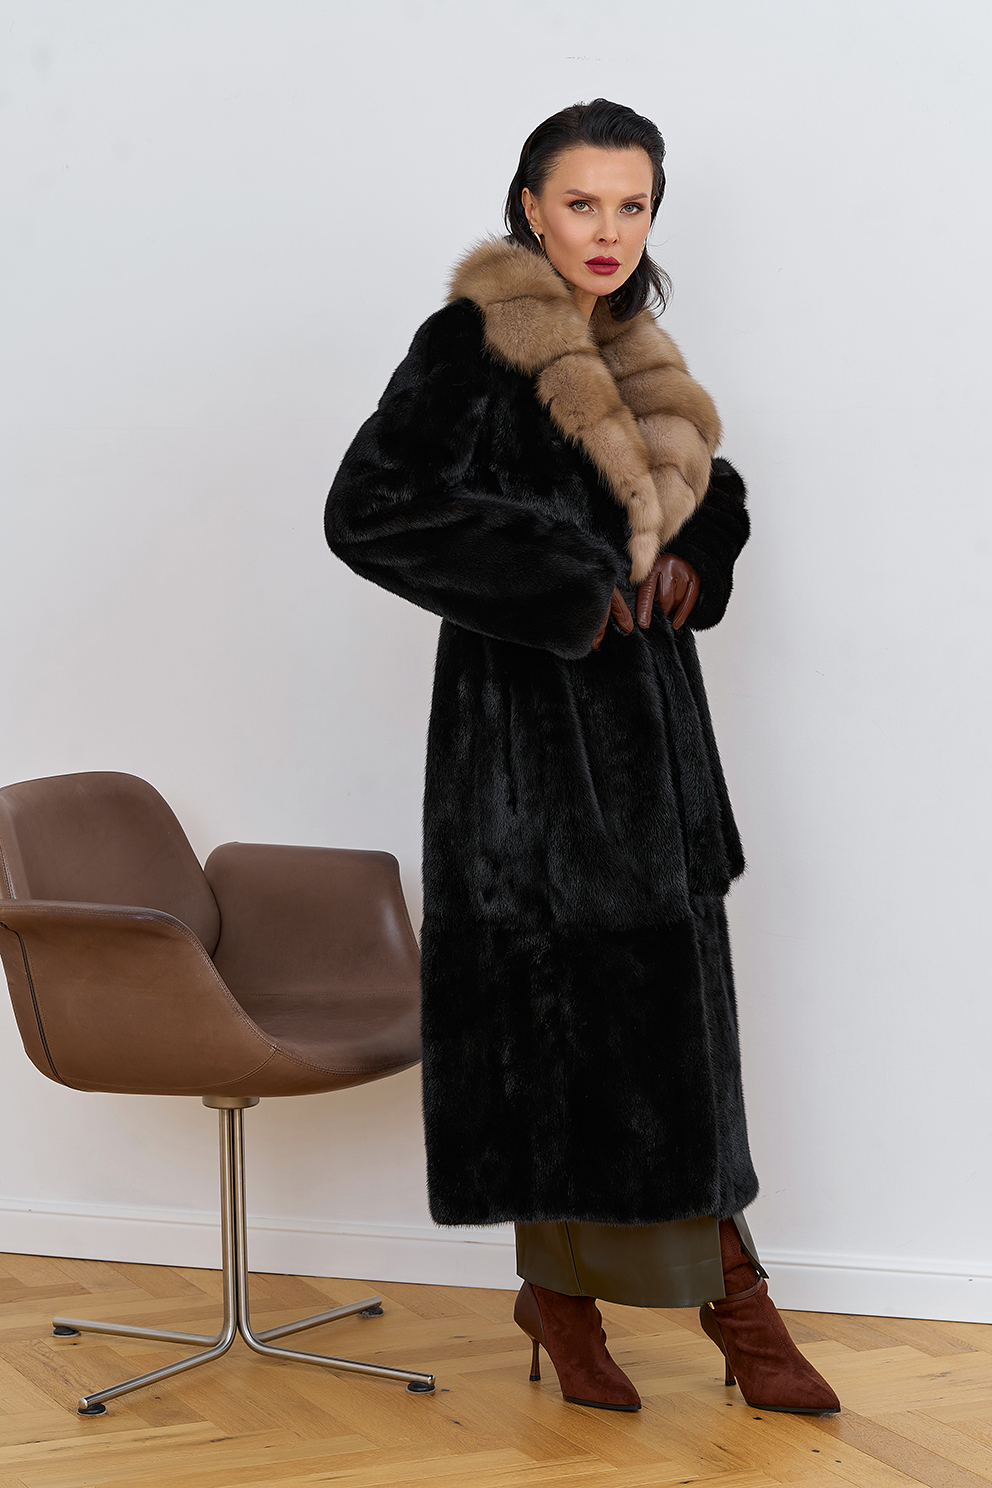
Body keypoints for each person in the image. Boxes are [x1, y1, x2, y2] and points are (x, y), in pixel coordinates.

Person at [325, 99, 839, 1417]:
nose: (609, 230)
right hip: (530, 753)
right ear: (529, 206)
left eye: (632, 205)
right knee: (568, 1033)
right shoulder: (473, 341)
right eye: (581, 202)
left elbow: (709, 488)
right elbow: (370, 508)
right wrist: (564, 584)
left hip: (658, 750)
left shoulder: (632, 346)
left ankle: (621, 1295)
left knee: (667, 1035)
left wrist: (692, 559)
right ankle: (704, 1303)